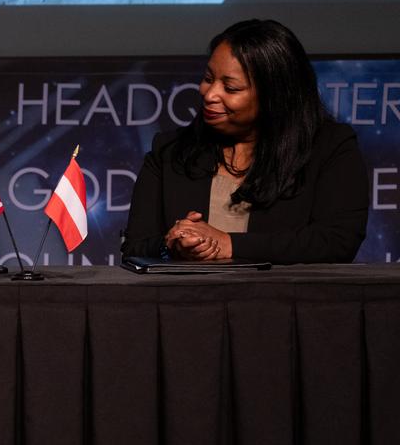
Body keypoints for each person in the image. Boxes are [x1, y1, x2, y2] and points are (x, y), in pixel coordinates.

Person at [122, 18, 367, 264]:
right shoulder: (169, 151)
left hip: (284, 301)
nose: (209, 93)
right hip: (187, 301)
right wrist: (172, 245)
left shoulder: (331, 148)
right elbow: (135, 247)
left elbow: (337, 241)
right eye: (208, 78)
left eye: (230, 88)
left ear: (275, 96)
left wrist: (229, 244)